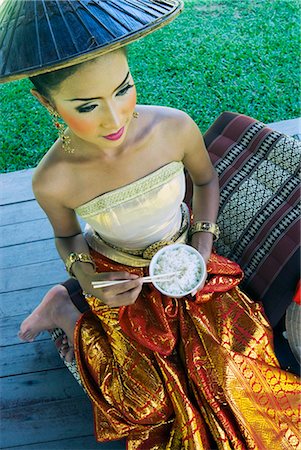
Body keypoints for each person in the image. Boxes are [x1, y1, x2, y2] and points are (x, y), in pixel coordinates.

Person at [2, 1, 300, 449]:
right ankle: (65, 310)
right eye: (88, 105)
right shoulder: (53, 179)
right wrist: (88, 277)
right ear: (46, 102)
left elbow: (205, 180)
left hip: (185, 258)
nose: (116, 117)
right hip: (121, 276)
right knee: (147, 404)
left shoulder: (174, 128)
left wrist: (201, 242)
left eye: (124, 89)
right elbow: (67, 236)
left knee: (240, 367)